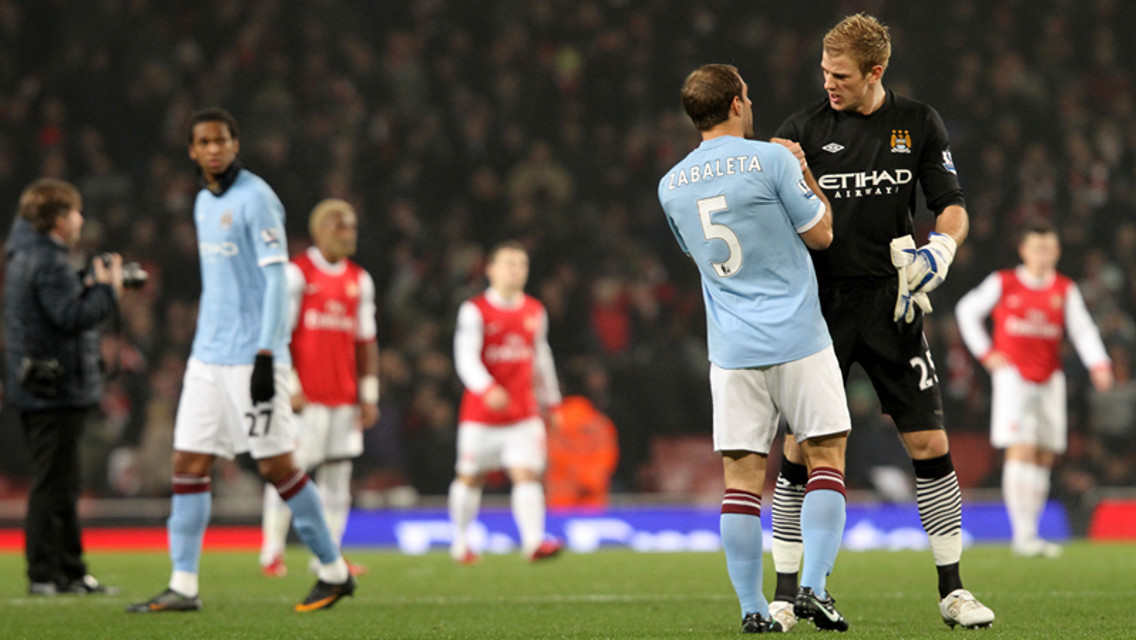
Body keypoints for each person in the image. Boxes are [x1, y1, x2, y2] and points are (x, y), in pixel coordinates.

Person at [768, 13, 995, 630]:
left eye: (840, 74)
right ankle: (787, 595)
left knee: (929, 442)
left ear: (876, 71)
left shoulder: (917, 123)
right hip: (819, 309)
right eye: (823, 71)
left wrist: (941, 249)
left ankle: (953, 590)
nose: (828, 83)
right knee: (799, 446)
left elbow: (951, 206)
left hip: (894, 304)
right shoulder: (800, 130)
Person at [127, 108, 356, 613]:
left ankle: (335, 571)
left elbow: (276, 280)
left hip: (252, 356)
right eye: (203, 142)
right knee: (187, 462)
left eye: (222, 141)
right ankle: (183, 584)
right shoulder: (203, 204)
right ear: (192, 150)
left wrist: (266, 353)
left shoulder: (257, 199)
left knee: (278, 467)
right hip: (207, 358)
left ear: (236, 145)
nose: (213, 149)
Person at [658, 63, 851, 634]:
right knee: (826, 457)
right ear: (739, 103)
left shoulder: (671, 184)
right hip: (798, 336)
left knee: (741, 480)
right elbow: (822, 234)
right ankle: (814, 585)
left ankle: (751, 608)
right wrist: (806, 172)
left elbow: (697, 258)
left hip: (733, 347)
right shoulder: (771, 159)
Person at [955, 221, 1112, 557]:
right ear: (1024, 250)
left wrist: (1099, 363)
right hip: (1013, 377)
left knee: (1043, 453)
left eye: (1049, 249)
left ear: (1057, 252)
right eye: (1037, 248)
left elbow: (1082, 330)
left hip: (1050, 377)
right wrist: (986, 353)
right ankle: (1022, 535)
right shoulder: (1004, 282)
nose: (1044, 255)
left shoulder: (1063, 289)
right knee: (1020, 448)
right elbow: (966, 311)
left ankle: (1031, 533)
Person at [4, 178, 124, 596]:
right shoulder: (48, 259)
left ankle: (67, 571)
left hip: (39, 386)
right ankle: (47, 573)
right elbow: (69, 316)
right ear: (58, 218)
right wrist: (107, 290)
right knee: (53, 484)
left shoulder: (25, 255)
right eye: (75, 212)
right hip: (54, 389)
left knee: (60, 483)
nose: (80, 220)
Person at [260, 198, 379, 577]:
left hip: (343, 396)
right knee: (290, 471)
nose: (349, 235)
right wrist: (290, 384)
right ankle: (272, 552)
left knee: (338, 479)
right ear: (321, 230)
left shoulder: (359, 280)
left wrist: (369, 393)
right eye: (342, 227)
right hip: (305, 397)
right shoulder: (298, 274)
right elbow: (279, 332)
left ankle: (327, 554)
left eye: (352, 228)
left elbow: (366, 342)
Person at [449, 240, 564, 564]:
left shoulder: (534, 311)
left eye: (521, 264)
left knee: (526, 474)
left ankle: (533, 543)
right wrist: (486, 388)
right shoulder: (475, 310)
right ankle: (461, 542)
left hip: (523, 412)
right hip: (480, 415)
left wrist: (551, 402)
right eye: (509, 263)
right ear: (491, 270)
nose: (515, 270)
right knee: (470, 477)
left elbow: (542, 359)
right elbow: (465, 357)